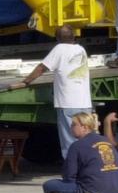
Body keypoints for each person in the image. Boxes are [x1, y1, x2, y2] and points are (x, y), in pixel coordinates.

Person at [13, 25, 91, 157]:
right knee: (86, 139)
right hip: (85, 103)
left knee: (69, 140)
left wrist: (25, 82)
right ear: (74, 36)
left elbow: (42, 68)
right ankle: (89, 163)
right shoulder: (81, 49)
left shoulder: (59, 49)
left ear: (57, 38)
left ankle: (72, 166)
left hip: (67, 103)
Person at [42, 112, 118, 193]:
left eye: (74, 124)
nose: (71, 127)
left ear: (85, 127)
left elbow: (69, 177)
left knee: (49, 185)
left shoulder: (76, 146)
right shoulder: (107, 141)